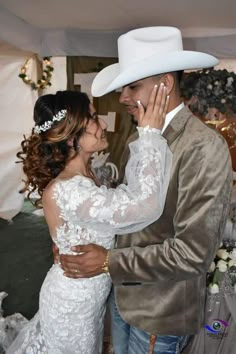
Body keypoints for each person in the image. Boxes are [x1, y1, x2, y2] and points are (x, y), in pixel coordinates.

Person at [58, 27, 233, 354]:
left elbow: (192, 253)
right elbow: (125, 211)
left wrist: (108, 261)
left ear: (165, 84)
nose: (123, 97)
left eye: (133, 86)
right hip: (123, 298)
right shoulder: (141, 138)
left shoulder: (204, 148)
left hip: (159, 312)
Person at [7, 88, 171, 354]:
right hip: (73, 308)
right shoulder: (72, 189)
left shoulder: (85, 178)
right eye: (94, 118)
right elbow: (145, 205)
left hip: (84, 299)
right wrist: (150, 135)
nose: (103, 123)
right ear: (73, 138)